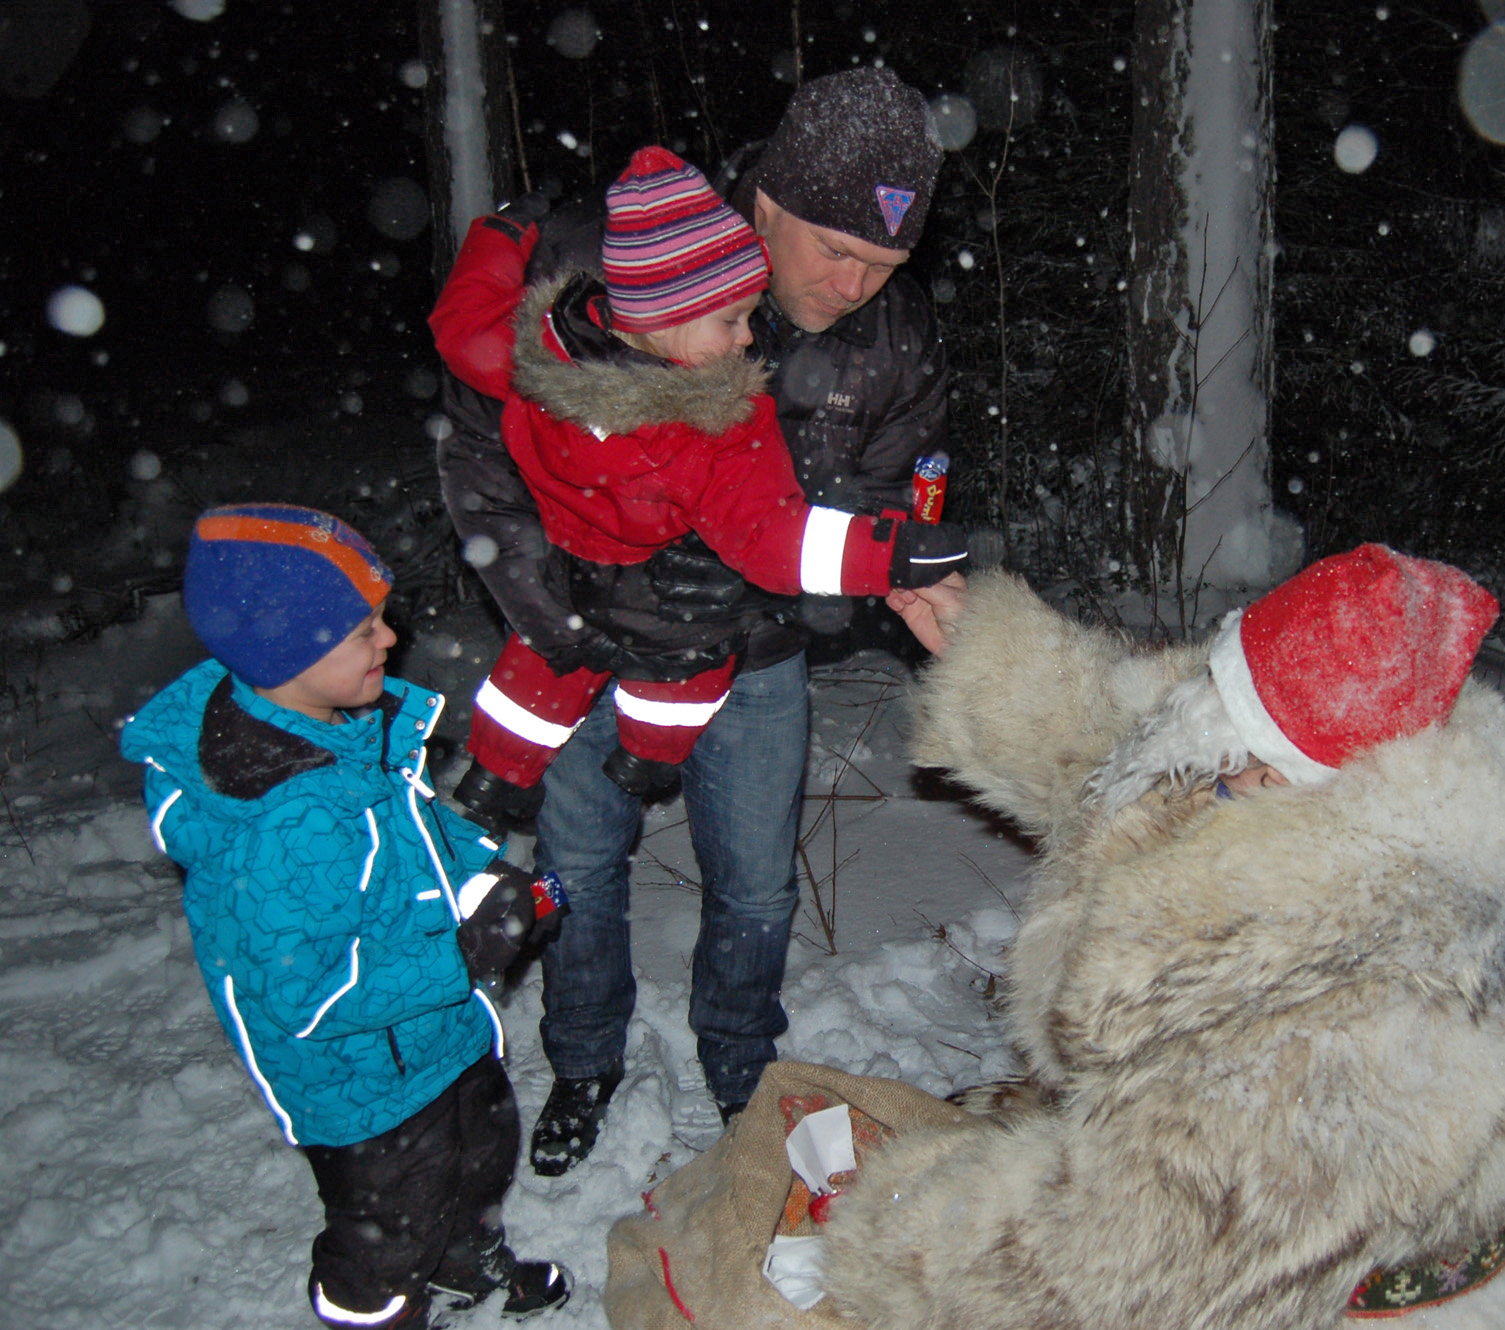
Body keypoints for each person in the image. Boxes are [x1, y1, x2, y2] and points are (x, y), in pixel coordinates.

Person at [834, 547, 1505, 1329]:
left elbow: (1111, 1267)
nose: (1217, 778)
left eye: (1247, 766)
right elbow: (1133, 754)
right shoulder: (1379, 768)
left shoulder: (1346, 1020)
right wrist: (984, 648)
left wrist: (883, 1232)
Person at [433, 65, 949, 1172]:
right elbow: (482, 458)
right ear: (765, 201)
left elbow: (887, 503)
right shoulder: (612, 258)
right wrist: (561, 615)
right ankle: (580, 1060)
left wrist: (777, 586)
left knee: (755, 881)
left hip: (753, 661)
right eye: (835, 251)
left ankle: (739, 1069)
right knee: (578, 858)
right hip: (584, 641)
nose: (858, 285)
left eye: (887, 264)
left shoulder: (894, 341)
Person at [118, 504, 571, 1330]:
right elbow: (308, 995)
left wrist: (482, 868)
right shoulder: (284, 822)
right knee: (383, 1235)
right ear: (287, 650)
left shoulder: (346, 733)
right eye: (363, 630)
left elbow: (411, 831)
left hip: (438, 1038)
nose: (389, 641)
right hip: (363, 1089)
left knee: (477, 1159)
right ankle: (375, 1310)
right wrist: (465, 955)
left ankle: (465, 1260)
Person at [431, 144, 965, 830]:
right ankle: (628, 757)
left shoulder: (533, 355)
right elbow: (780, 539)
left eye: (883, 268)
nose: (747, 341)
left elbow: (463, 318)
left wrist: (501, 234)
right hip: (587, 594)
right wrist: (891, 553)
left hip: (598, 586)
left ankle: (526, 769)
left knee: (567, 673)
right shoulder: (715, 429)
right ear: (658, 317)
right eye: (732, 321)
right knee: (675, 668)